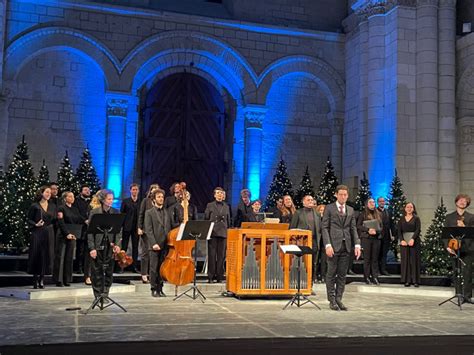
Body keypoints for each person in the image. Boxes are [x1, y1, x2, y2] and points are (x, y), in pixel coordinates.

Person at [322, 185, 361, 311]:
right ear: (336, 195)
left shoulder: (350, 209)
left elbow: (353, 228)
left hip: (346, 245)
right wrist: (328, 244)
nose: (343, 196)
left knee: (342, 275)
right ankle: (331, 300)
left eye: (345, 195)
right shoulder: (329, 208)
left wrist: (357, 244)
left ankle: (339, 298)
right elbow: (325, 228)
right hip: (333, 245)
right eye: (341, 194)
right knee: (331, 273)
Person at [87, 189, 122, 300]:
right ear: (103, 199)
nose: (111, 201)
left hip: (110, 246)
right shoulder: (95, 212)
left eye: (112, 199)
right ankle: (98, 294)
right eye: (109, 199)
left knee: (108, 271)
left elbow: (118, 230)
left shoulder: (115, 212)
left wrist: (117, 244)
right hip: (98, 246)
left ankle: (105, 293)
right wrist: (92, 248)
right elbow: (90, 232)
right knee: (96, 271)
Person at [445, 193, 474, 304]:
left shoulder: (471, 217)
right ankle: (459, 294)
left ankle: (467, 296)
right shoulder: (449, 217)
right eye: (460, 200)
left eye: (465, 201)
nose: (462, 202)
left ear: (467, 203)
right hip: (454, 248)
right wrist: (447, 246)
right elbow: (445, 234)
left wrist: (464, 227)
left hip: (468, 248)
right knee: (456, 272)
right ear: (456, 202)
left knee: (467, 272)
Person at [144, 188, 172, 297]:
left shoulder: (166, 211)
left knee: (162, 268)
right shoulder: (149, 212)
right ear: (154, 199)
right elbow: (148, 230)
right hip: (154, 244)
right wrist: (153, 243)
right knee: (153, 268)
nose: (161, 199)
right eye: (159, 197)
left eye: (162, 197)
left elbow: (169, 227)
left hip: (165, 244)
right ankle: (153, 289)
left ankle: (160, 288)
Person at [27, 186, 56, 289]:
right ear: (42, 193)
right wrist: (35, 224)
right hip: (37, 232)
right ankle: (35, 278)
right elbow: (29, 219)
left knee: (46, 255)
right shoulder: (34, 206)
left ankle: (42, 279)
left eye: (50, 192)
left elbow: (55, 220)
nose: (49, 194)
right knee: (37, 254)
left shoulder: (52, 206)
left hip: (48, 232)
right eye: (46, 192)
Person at [54, 191, 83, 287]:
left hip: (73, 234)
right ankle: (59, 279)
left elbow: (78, 219)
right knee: (61, 256)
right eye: (70, 196)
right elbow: (60, 222)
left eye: (73, 196)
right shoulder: (61, 208)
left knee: (69, 257)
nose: (72, 198)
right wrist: (66, 233)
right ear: (65, 198)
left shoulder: (75, 209)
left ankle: (67, 279)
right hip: (63, 234)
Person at [290, 195, 321, 283]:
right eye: (308, 200)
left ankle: (310, 286)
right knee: (301, 264)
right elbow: (292, 228)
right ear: (303, 202)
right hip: (302, 242)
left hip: (314, 242)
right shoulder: (298, 213)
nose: (310, 201)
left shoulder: (317, 214)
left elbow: (320, 229)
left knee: (312, 264)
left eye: (312, 199)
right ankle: (299, 284)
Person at [204, 187, 231, 283]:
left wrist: (228, 231)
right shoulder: (210, 205)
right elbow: (206, 218)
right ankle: (210, 276)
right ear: (214, 195)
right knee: (212, 255)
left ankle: (219, 276)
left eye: (221, 193)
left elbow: (228, 220)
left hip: (223, 233)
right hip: (213, 233)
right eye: (218, 193)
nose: (220, 195)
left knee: (221, 256)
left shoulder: (227, 206)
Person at [137, 184, 160, 283]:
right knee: (145, 253)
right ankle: (143, 274)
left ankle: (152, 274)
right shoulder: (145, 201)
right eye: (153, 189)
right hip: (146, 230)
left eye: (156, 189)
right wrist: (139, 227)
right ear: (150, 191)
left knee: (154, 255)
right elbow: (141, 214)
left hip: (156, 232)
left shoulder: (159, 203)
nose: (154, 191)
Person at [357, 198, 382, 285]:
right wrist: (368, 230)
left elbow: (381, 227)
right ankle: (366, 277)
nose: (372, 204)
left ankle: (375, 277)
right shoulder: (363, 214)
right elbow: (358, 226)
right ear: (367, 204)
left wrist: (377, 231)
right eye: (370, 202)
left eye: (373, 202)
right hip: (366, 238)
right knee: (367, 259)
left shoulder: (378, 214)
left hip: (376, 239)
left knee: (375, 259)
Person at [398, 202, 421, 287]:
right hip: (404, 242)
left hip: (414, 241)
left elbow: (418, 230)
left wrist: (412, 239)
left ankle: (415, 280)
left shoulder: (416, 218)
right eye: (407, 207)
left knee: (414, 260)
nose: (409, 209)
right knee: (405, 261)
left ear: (413, 209)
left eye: (411, 207)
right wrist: (402, 240)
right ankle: (406, 280)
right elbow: (399, 231)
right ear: (405, 209)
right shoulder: (401, 219)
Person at [120, 183, 141, 273]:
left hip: (136, 227)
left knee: (135, 247)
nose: (135, 191)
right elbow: (122, 214)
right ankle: (122, 266)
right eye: (133, 189)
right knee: (124, 247)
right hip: (126, 227)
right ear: (130, 191)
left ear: (138, 191)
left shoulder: (140, 201)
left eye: (136, 189)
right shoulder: (126, 201)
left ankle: (134, 267)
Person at [73, 184, 91, 278]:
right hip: (81, 226)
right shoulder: (77, 201)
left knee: (87, 249)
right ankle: (78, 267)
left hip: (89, 227)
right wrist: (84, 220)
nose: (87, 191)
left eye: (88, 190)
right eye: (85, 190)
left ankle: (86, 267)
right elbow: (76, 213)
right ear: (81, 191)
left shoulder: (92, 201)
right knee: (80, 248)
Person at [377, 197, 392, 275]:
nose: (382, 202)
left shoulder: (388, 212)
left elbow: (391, 224)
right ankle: (377, 270)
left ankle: (383, 269)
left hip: (386, 237)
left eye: (383, 201)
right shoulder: (375, 211)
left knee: (384, 254)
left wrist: (393, 235)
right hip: (378, 237)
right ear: (378, 202)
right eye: (380, 201)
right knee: (377, 254)